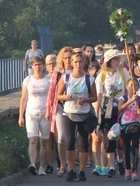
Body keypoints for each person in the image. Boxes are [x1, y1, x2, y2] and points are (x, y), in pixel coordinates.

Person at [57, 52, 97, 182]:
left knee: (83, 143)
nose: (78, 64)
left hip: (84, 113)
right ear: (72, 63)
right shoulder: (66, 77)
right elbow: (58, 95)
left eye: (80, 62)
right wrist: (66, 97)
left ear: (84, 63)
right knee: (70, 141)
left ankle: (81, 171)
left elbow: (95, 97)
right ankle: (71, 169)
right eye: (75, 62)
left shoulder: (89, 79)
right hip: (69, 113)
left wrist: (85, 99)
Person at [94, 49, 130, 178]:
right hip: (108, 111)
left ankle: (120, 160)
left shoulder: (123, 72)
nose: (117, 61)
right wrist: (97, 114)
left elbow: (129, 87)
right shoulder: (102, 76)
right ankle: (110, 166)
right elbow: (99, 96)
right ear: (109, 61)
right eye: (115, 59)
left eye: (118, 59)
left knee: (121, 138)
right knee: (109, 137)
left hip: (122, 108)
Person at [18, 56, 51, 176]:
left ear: (43, 66)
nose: (38, 67)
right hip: (31, 113)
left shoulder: (49, 80)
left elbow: (52, 97)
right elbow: (23, 98)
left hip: (45, 114)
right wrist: (20, 116)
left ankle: (42, 167)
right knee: (33, 139)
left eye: (40, 64)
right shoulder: (27, 80)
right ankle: (32, 164)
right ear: (32, 66)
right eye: (35, 65)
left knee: (44, 142)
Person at [45, 46, 73, 177]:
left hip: (75, 109)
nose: (68, 60)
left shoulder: (77, 71)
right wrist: (49, 110)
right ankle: (62, 165)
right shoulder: (58, 74)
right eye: (65, 58)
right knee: (61, 138)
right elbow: (51, 93)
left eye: (70, 58)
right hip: (61, 107)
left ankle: (71, 163)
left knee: (72, 138)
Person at [118, 79, 140, 181]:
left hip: (135, 126)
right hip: (125, 126)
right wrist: (130, 100)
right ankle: (127, 169)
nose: (133, 87)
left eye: (136, 85)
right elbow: (120, 108)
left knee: (135, 149)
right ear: (127, 86)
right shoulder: (123, 97)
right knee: (126, 149)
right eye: (131, 85)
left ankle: (134, 171)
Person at [44, 54, 57, 174]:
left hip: (58, 110)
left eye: (54, 63)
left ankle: (61, 162)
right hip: (47, 111)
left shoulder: (60, 77)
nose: (52, 66)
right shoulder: (44, 79)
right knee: (47, 139)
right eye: (49, 64)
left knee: (59, 139)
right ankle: (49, 164)